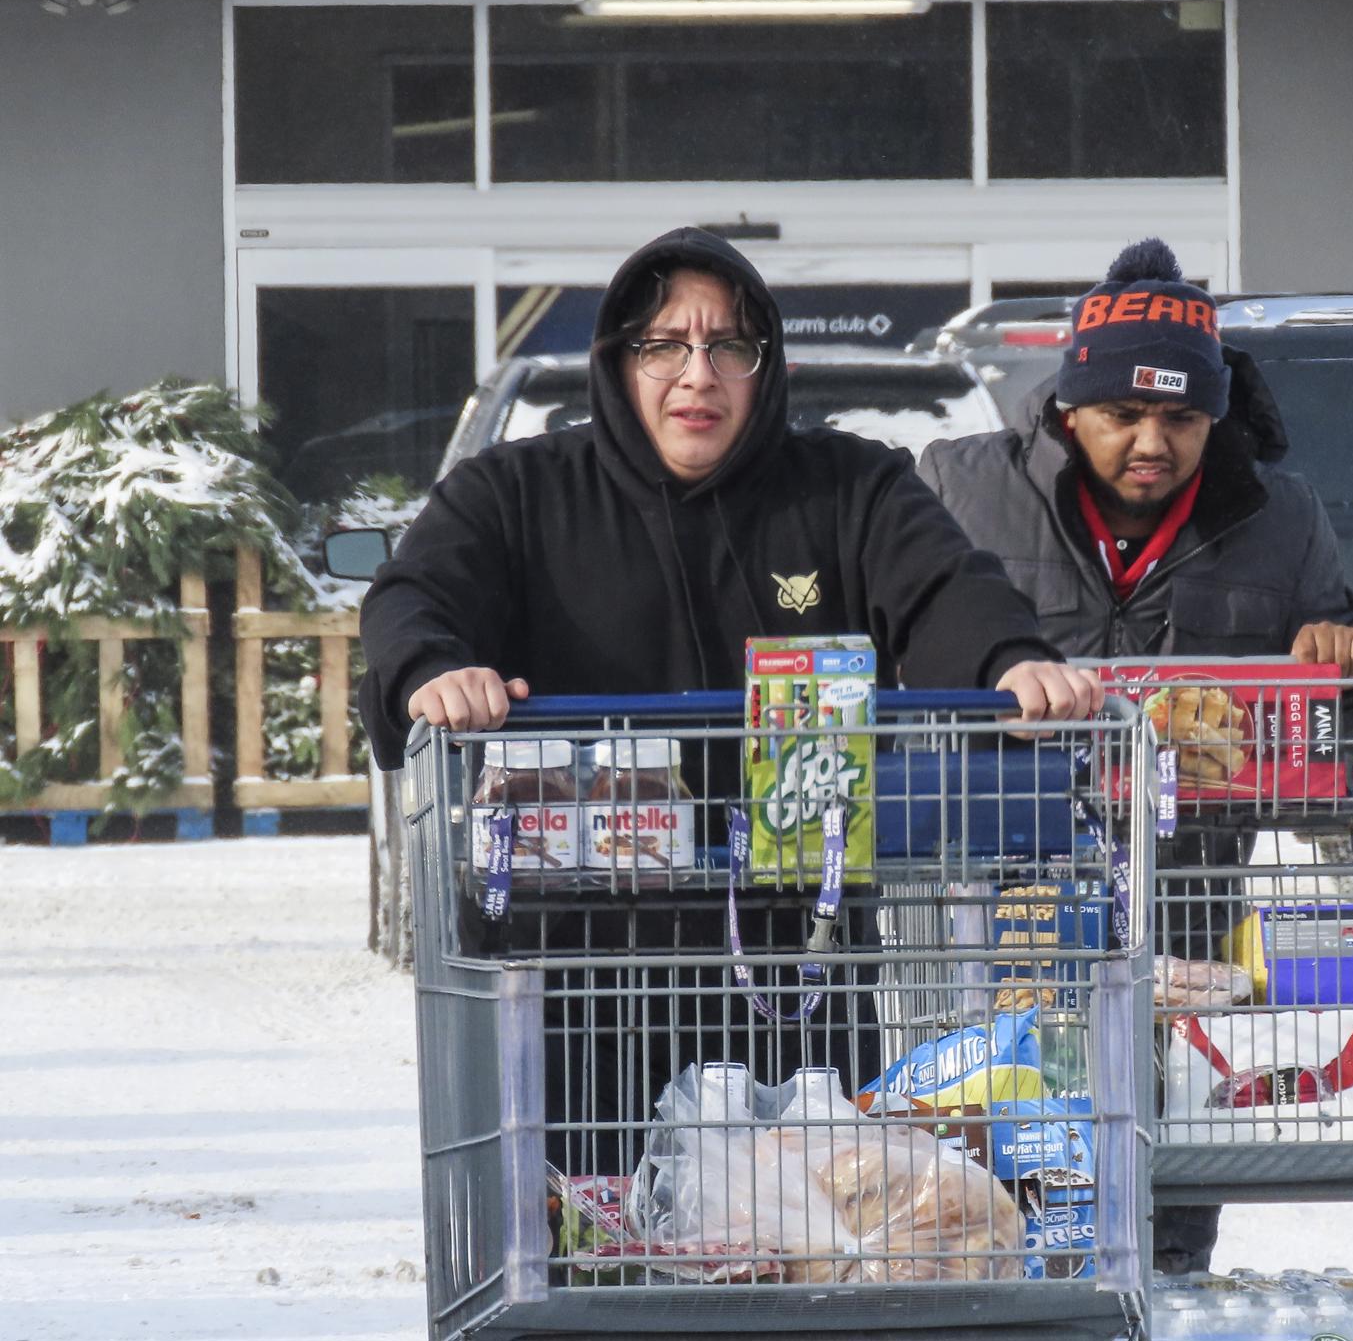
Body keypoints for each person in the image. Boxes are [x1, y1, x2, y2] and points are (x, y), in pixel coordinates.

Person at [357, 225, 1102, 1178]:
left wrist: (1011, 659)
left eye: (729, 347)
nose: (696, 375)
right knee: (592, 1257)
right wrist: (431, 669)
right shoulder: (514, 494)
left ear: (766, 365)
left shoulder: (846, 487)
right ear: (621, 361)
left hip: (796, 979)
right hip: (575, 981)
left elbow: (944, 585)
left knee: (811, 1257)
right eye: (665, 345)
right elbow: (413, 595)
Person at [919, 237, 1353, 1275]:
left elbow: (1339, 658)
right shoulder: (961, 487)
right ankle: (1030, 1291)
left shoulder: (1279, 516)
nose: (1150, 443)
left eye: (1179, 418)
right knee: (1012, 1123)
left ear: (1215, 416)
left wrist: (1339, 646)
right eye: (1122, 416)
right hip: (1002, 876)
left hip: (1189, 883)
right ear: (1067, 409)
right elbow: (896, 614)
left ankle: (1167, 1286)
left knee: (1174, 1126)